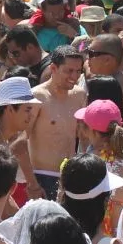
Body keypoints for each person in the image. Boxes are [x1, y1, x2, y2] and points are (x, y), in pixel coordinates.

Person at [26, 47, 87, 199]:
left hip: (70, 176)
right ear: (53, 68)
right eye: (69, 71)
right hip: (42, 176)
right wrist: (31, 182)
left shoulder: (79, 94)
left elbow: (83, 136)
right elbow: (20, 140)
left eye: (78, 71)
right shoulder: (36, 96)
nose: (74, 76)